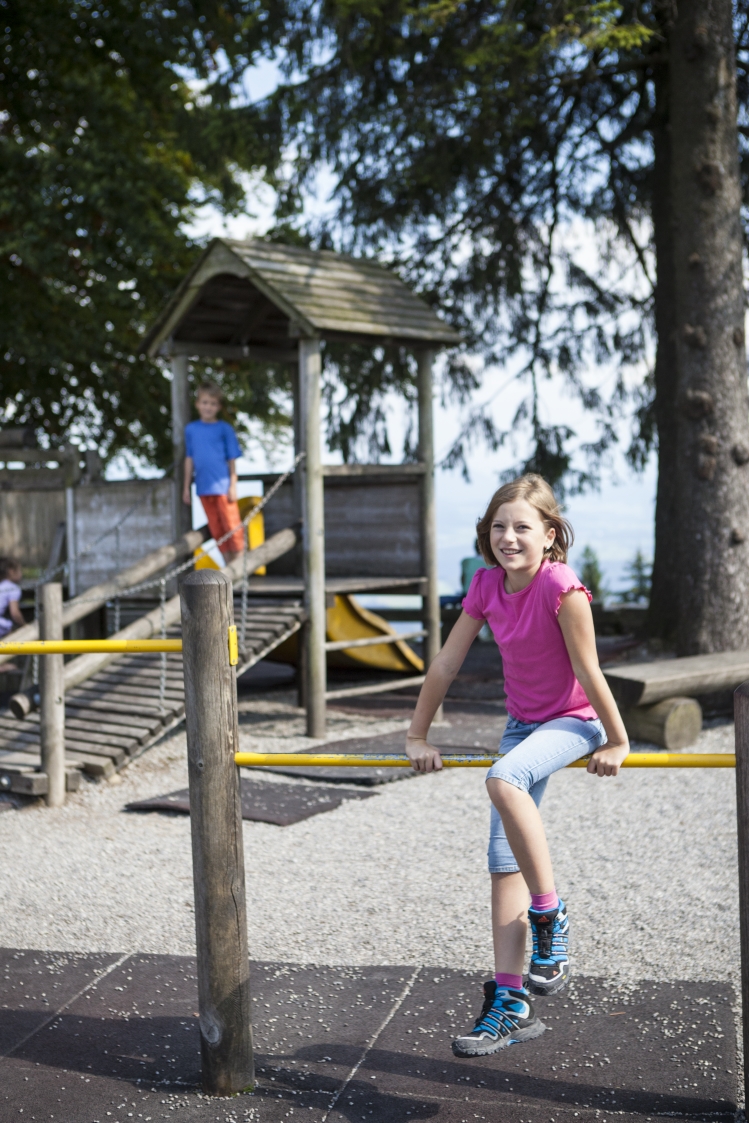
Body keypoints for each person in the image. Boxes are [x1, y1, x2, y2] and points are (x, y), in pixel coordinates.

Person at [405, 474, 629, 1057]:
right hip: (523, 725)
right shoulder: (485, 586)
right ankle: (510, 1002)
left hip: (575, 722)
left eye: (522, 527)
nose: (509, 537)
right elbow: (446, 664)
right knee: (502, 864)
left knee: (503, 778)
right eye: (499, 527)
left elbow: (588, 671)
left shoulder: (561, 586)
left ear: (550, 534)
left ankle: (551, 919)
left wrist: (617, 740)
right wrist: (416, 734)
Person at [182, 383, 245, 564]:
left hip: (223, 487)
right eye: (205, 402)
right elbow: (189, 458)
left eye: (213, 403)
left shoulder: (224, 429)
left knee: (231, 525)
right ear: (197, 404)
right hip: (203, 487)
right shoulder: (191, 430)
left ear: (218, 407)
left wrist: (233, 485)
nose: (208, 407)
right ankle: (227, 564)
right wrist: (186, 487)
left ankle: (239, 563)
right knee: (216, 528)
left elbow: (232, 459)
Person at [0, 556, 24, 637]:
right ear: (11, 571)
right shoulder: (13, 588)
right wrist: (24, 625)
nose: (21, 574)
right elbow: (15, 613)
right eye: (20, 570)